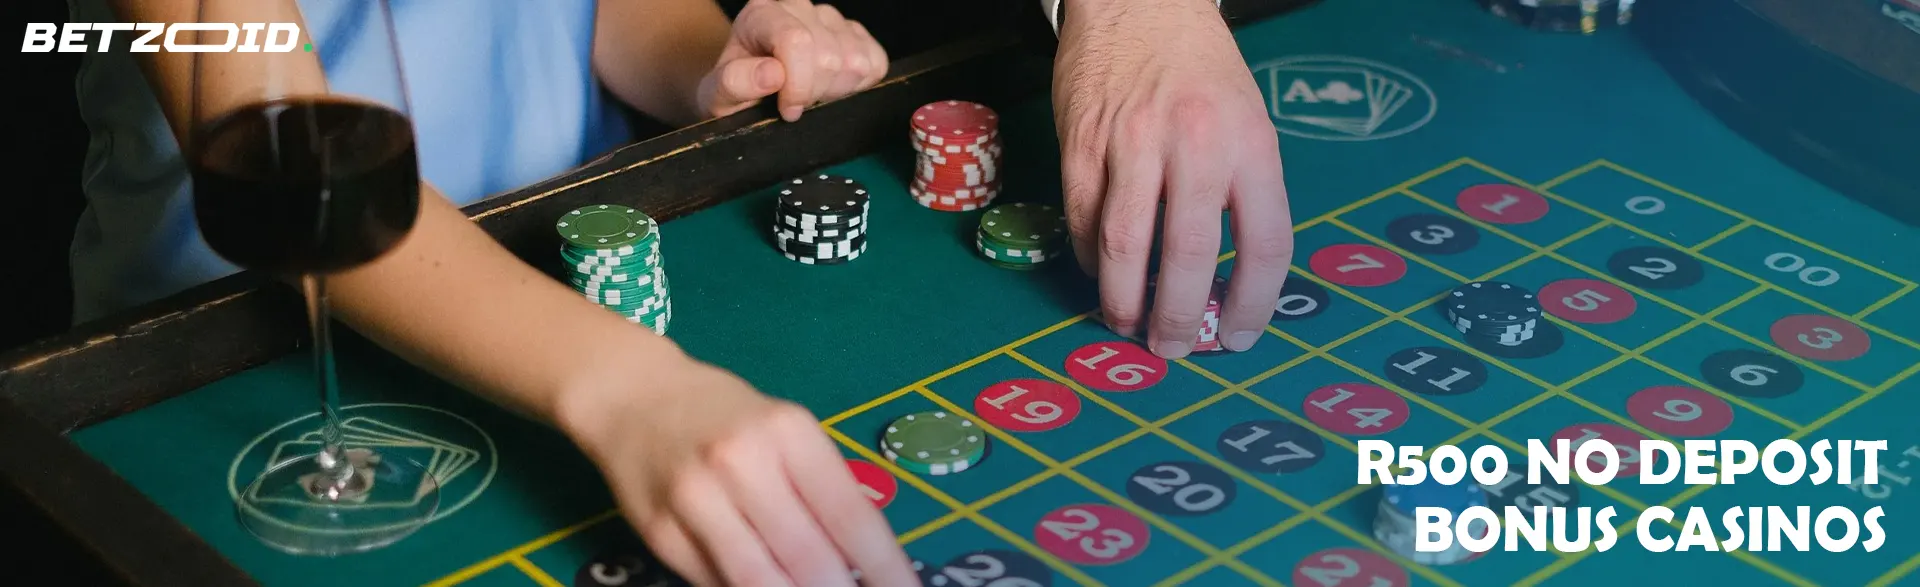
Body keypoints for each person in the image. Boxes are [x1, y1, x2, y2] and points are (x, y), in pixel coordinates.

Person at [69, 0, 1289, 583]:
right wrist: (630, 387)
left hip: (565, 258)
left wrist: (709, 65)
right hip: (239, 348)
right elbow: (281, 153)